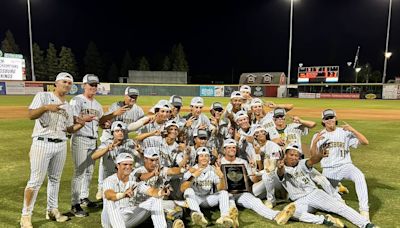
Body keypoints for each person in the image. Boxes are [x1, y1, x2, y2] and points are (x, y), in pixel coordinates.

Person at [20, 72, 88, 228]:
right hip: (42, 143)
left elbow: (69, 129)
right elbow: (30, 115)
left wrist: (81, 124)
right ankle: (26, 216)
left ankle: (52, 210)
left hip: (61, 144)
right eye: (64, 81)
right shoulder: (42, 96)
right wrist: (45, 108)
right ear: (56, 83)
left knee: (55, 179)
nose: (67, 85)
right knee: (35, 181)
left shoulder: (69, 107)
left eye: (70, 83)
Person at [276, 134, 378, 228]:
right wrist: (280, 167)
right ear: (285, 155)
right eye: (291, 155)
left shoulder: (302, 164)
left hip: (314, 194)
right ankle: (325, 220)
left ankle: (367, 225)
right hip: (299, 200)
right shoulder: (281, 168)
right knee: (289, 213)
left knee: (340, 208)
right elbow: (280, 173)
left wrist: (320, 155)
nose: (294, 157)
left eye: (296, 155)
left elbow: (312, 160)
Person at [69, 74, 128, 217]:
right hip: (80, 138)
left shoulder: (97, 105)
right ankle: (75, 204)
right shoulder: (76, 101)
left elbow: (101, 121)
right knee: (79, 171)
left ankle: (83, 197)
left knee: (89, 171)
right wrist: (114, 113)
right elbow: (71, 118)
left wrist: (105, 123)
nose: (94, 87)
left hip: (92, 140)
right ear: (84, 86)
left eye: (95, 85)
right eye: (91, 85)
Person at [220, 139, 296, 227]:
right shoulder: (219, 162)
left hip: (241, 192)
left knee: (255, 201)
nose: (232, 149)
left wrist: (252, 169)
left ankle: (277, 216)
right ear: (224, 150)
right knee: (231, 205)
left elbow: (254, 180)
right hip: (226, 193)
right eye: (229, 148)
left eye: (234, 147)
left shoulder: (243, 162)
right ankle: (232, 218)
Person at [311, 109, 371, 219]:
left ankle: (364, 210)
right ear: (323, 121)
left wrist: (353, 130)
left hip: (345, 166)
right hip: (328, 169)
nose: (330, 120)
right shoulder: (318, 135)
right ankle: (338, 192)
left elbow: (365, 142)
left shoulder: (345, 132)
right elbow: (313, 157)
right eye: (327, 118)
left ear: (336, 118)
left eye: (331, 117)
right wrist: (315, 142)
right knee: (332, 200)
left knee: (359, 176)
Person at [101, 153, 169, 228]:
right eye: (125, 164)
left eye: (130, 164)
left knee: (156, 199)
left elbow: (151, 191)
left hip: (127, 217)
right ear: (117, 165)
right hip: (110, 221)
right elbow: (109, 195)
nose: (128, 167)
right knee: (111, 201)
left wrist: (160, 192)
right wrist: (123, 195)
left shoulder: (134, 180)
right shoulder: (109, 180)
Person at [132, 147, 186, 228]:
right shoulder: (137, 171)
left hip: (155, 204)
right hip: (139, 208)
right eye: (152, 160)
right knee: (159, 205)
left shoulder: (160, 169)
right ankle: (170, 222)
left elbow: (172, 170)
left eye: (156, 160)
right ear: (145, 159)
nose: (154, 163)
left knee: (177, 207)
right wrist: (153, 173)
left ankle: (170, 222)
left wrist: (183, 170)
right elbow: (141, 177)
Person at [180, 147, 233, 227]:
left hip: (207, 198)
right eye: (201, 156)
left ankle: (225, 216)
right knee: (188, 191)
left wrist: (222, 177)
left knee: (224, 192)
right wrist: (193, 176)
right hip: (195, 199)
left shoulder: (213, 169)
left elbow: (221, 188)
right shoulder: (192, 169)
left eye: (206, 156)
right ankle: (198, 214)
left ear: (209, 158)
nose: (204, 158)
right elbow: (182, 188)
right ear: (197, 159)